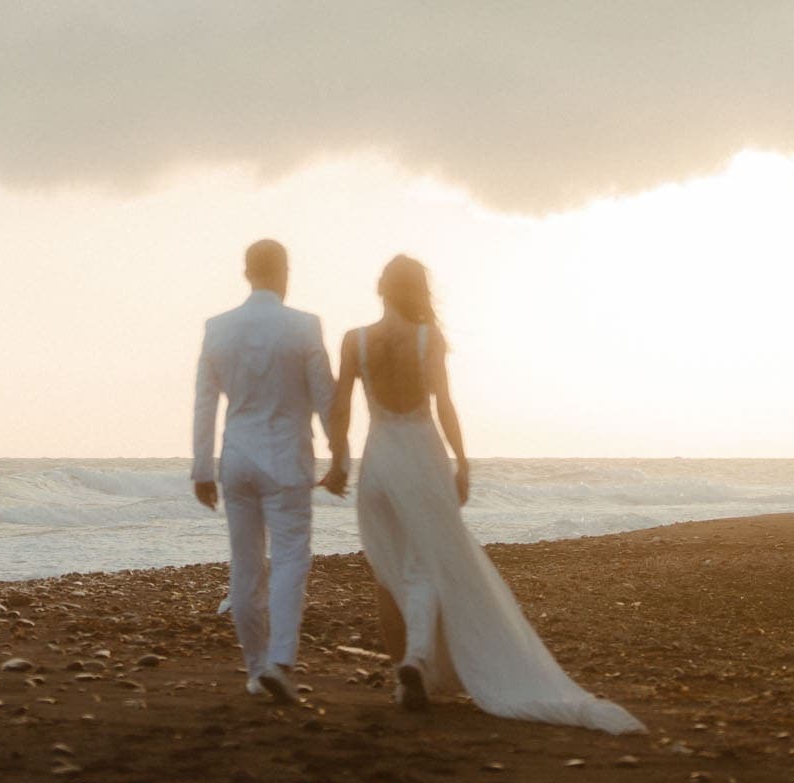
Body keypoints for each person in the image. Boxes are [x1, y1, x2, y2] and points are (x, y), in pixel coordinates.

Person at [331, 254, 642, 732]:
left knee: (388, 570)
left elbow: (340, 408)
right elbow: (445, 404)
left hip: (378, 463)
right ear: (418, 291)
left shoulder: (355, 340)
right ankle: (415, 659)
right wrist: (462, 461)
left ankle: (403, 676)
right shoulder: (427, 338)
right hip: (421, 457)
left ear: (380, 287)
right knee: (425, 564)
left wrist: (337, 461)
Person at [191, 238, 346, 703]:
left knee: (245, 565)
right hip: (286, 460)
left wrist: (201, 468)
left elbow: (204, 402)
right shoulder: (303, 327)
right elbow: (326, 398)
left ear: (247, 272)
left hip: (236, 459)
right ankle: (280, 660)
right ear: (284, 272)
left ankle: (257, 669)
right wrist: (340, 456)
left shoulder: (218, 328)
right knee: (291, 560)